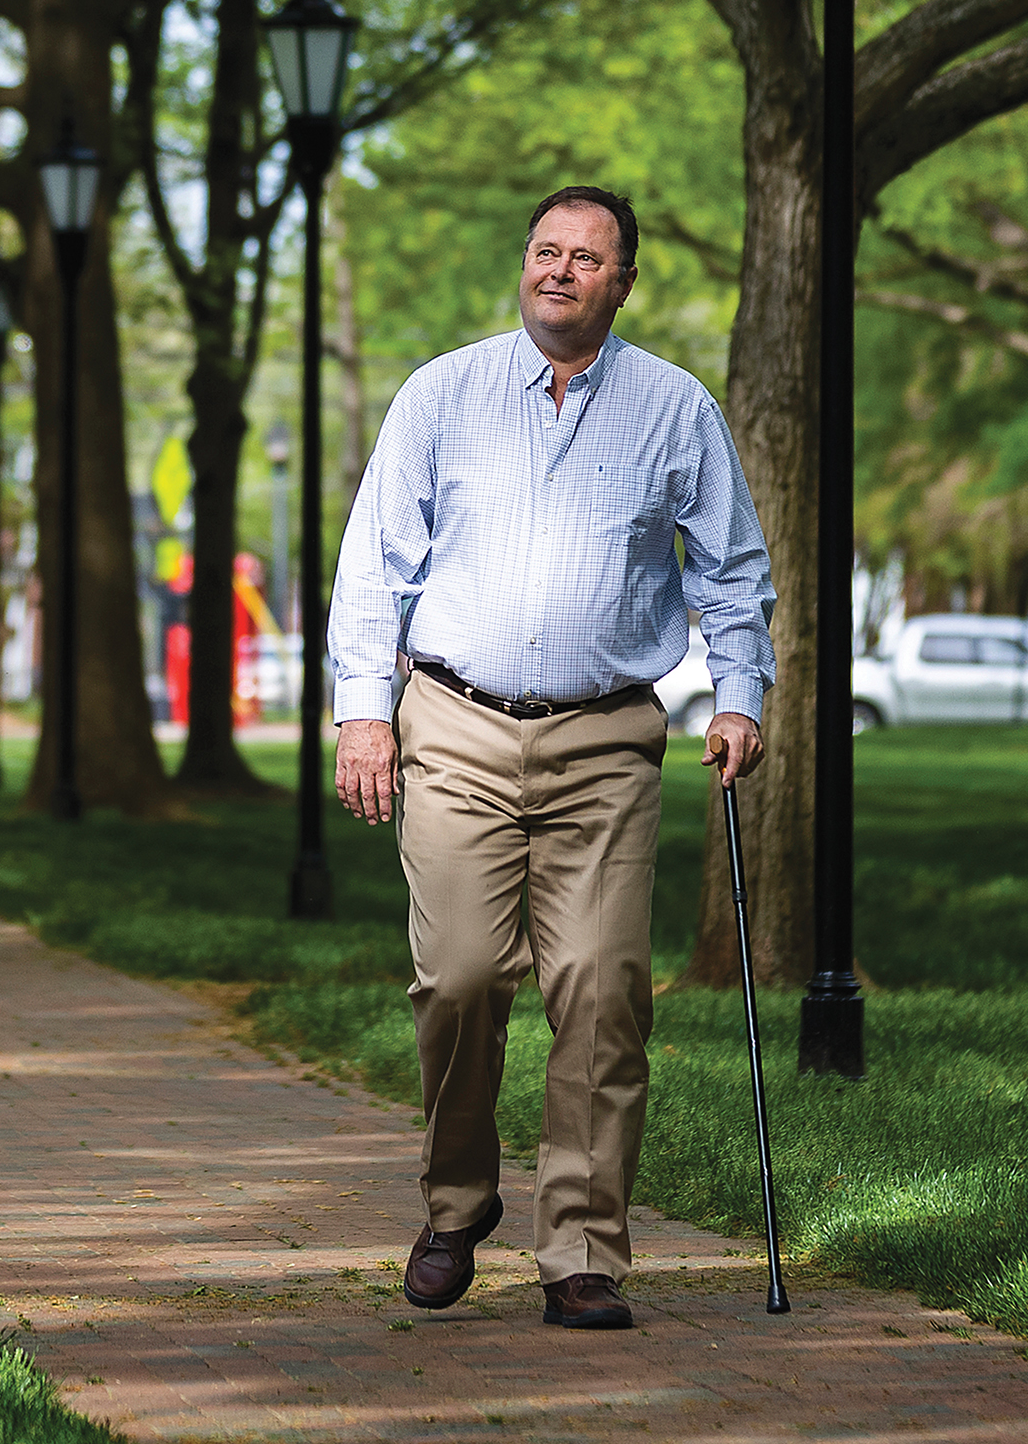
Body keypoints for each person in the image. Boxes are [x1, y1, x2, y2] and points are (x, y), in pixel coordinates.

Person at [329, 185, 775, 1332]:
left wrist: (739, 695)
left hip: (605, 739)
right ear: (522, 264)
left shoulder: (676, 408)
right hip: (457, 726)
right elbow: (376, 563)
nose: (561, 270)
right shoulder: (443, 394)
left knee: (602, 990)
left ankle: (581, 1248)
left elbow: (730, 569)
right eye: (546, 251)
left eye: (588, 258)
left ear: (623, 283)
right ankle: (456, 1202)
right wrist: (362, 713)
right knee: (463, 978)